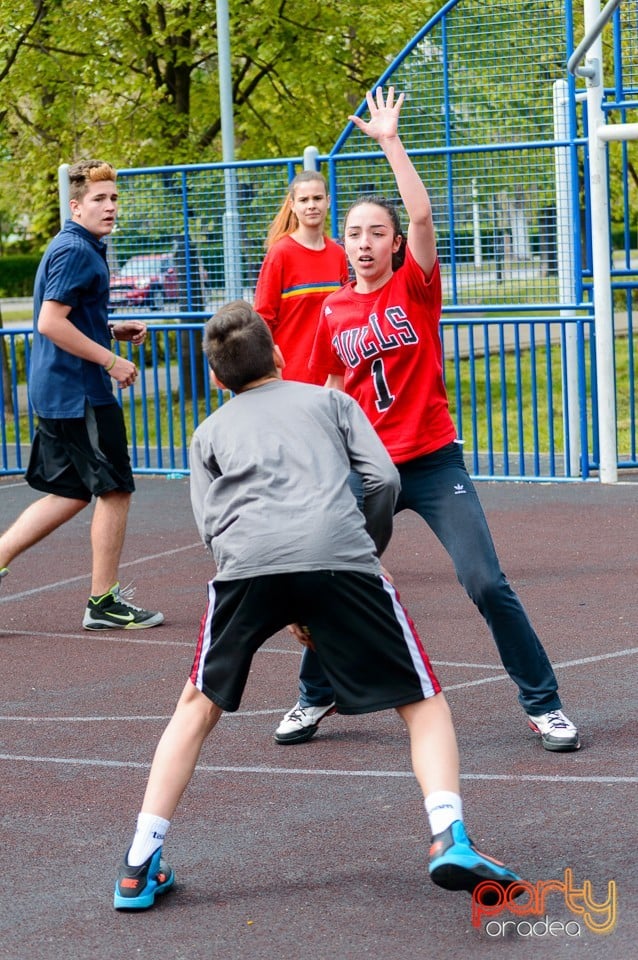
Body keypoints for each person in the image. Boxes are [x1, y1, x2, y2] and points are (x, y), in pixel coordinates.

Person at [113, 300, 522, 910]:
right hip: (339, 556)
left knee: (195, 707)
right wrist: (364, 547)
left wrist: (268, 579)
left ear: (219, 381)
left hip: (246, 566)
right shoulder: (331, 402)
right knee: (422, 701)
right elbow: (383, 479)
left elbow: (209, 527)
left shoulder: (207, 433)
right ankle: (448, 835)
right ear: (279, 355)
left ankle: (139, 863)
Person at [275, 87, 580, 753]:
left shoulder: (416, 286)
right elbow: (329, 386)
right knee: (334, 581)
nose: (363, 243)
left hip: (435, 463)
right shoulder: (331, 312)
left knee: (485, 582)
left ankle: (544, 703)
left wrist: (390, 140)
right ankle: (314, 692)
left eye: (375, 233)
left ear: (392, 244)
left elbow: (419, 213)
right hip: (371, 471)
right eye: (353, 233)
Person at [0, 159, 163, 631]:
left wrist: (110, 330)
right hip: (80, 392)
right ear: (76, 206)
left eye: (113, 198)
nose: (110, 206)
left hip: (62, 388)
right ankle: (104, 602)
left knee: (70, 492)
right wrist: (110, 360)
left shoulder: (81, 246)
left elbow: (69, 319)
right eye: (99, 199)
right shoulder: (76, 250)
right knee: (114, 490)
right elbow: (50, 321)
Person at [253, 169, 349, 384]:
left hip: (332, 378)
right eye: (304, 200)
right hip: (290, 377)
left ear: (328, 201)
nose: (311, 205)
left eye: (317, 198)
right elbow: (263, 318)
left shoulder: (338, 254)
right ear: (293, 205)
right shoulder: (280, 254)